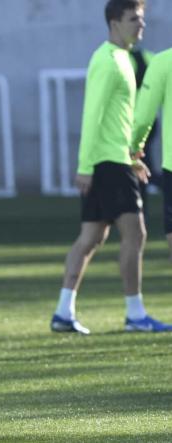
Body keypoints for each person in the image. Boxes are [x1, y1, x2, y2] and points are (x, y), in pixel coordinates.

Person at [50, 0, 172, 334]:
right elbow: (93, 115)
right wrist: (86, 166)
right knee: (136, 232)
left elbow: (120, 120)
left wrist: (135, 158)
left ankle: (63, 311)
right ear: (114, 23)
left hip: (118, 160)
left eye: (142, 19)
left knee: (91, 236)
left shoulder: (124, 59)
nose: (141, 25)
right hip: (107, 163)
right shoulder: (107, 60)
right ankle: (135, 314)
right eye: (134, 19)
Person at [132, 46, 172, 260]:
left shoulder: (162, 60)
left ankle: (140, 210)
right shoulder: (152, 58)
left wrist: (133, 149)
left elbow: (143, 116)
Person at [129, 44, 160, 218]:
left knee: (141, 166)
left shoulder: (123, 60)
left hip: (135, 123)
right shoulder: (150, 56)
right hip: (150, 120)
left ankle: (140, 211)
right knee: (143, 165)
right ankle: (140, 210)